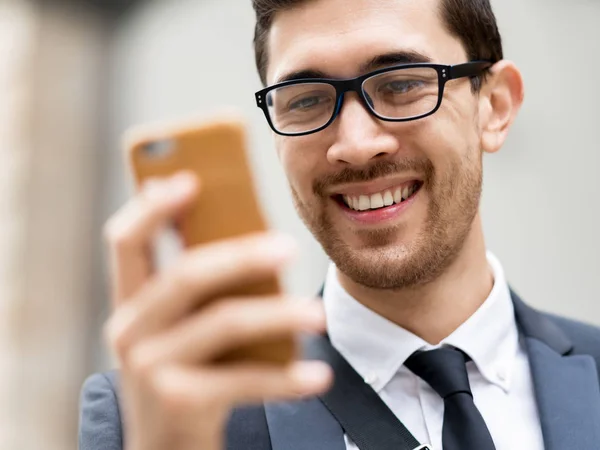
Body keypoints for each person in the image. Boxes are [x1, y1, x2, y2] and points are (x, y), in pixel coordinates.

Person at [79, 0, 600, 449]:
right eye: (306, 99)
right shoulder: (162, 423)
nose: (355, 145)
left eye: (401, 84)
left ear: (495, 106)